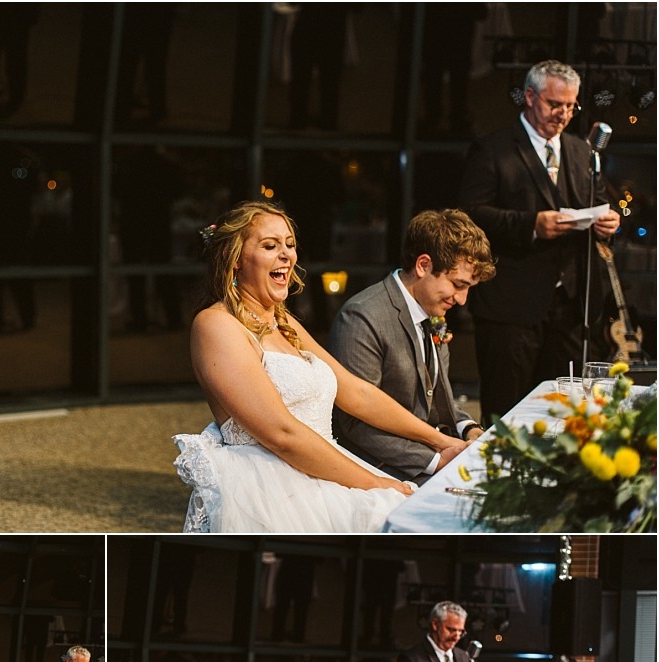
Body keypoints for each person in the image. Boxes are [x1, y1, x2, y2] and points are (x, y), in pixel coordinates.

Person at [173, 199, 469, 534]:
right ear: (235, 259)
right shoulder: (215, 325)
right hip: (272, 483)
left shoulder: (283, 322)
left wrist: (444, 443)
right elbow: (282, 434)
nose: (287, 255)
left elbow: (356, 393)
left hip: (326, 466)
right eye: (270, 246)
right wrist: (372, 483)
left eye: (290, 244)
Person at [459, 59, 621, 423]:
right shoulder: (493, 149)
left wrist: (606, 221)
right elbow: (470, 215)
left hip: (571, 305)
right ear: (530, 97)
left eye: (570, 106)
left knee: (564, 413)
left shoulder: (582, 151)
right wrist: (531, 224)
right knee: (508, 410)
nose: (563, 114)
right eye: (554, 104)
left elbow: (594, 201)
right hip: (511, 304)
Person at [328, 209, 495, 484]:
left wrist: (469, 429)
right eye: (457, 285)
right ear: (423, 265)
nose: (463, 300)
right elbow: (353, 424)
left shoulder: (432, 312)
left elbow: (435, 398)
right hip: (382, 470)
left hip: (433, 452)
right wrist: (435, 461)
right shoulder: (361, 317)